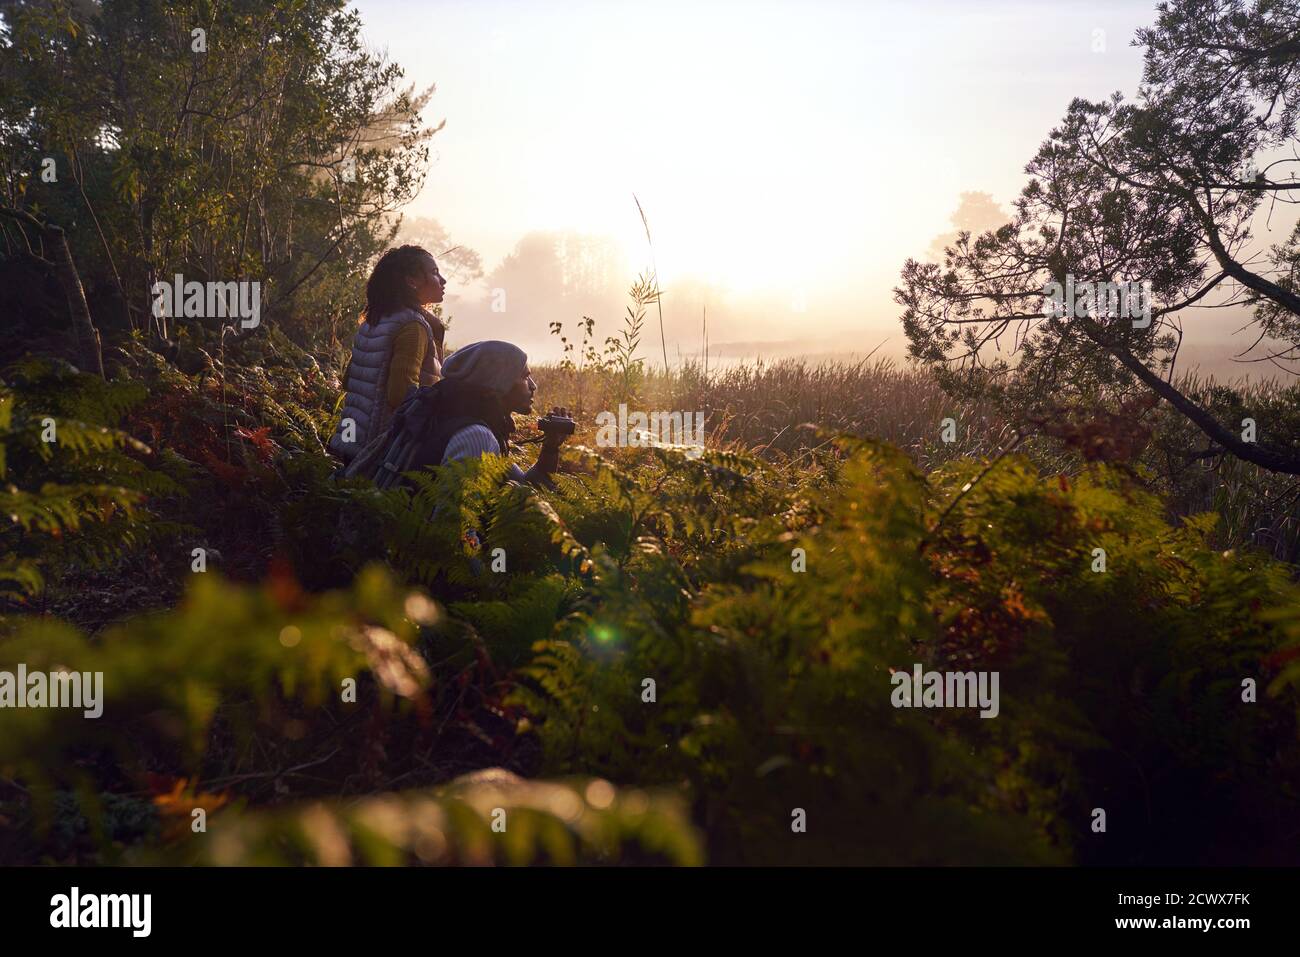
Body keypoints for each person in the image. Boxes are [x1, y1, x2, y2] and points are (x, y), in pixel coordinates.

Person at [329, 245, 448, 463]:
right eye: (434, 272)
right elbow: (402, 396)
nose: (443, 280)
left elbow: (350, 381)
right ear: (411, 281)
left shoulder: (374, 319)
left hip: (350, 441)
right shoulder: (412, 326)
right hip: (380, 452)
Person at [433, 340, 570, 486]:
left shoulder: (485, 427)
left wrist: (550, 448)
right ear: (498, 382)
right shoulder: (478, 438)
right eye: (525, 377)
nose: (533, 386)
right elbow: (449, 508)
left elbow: (526, 488)